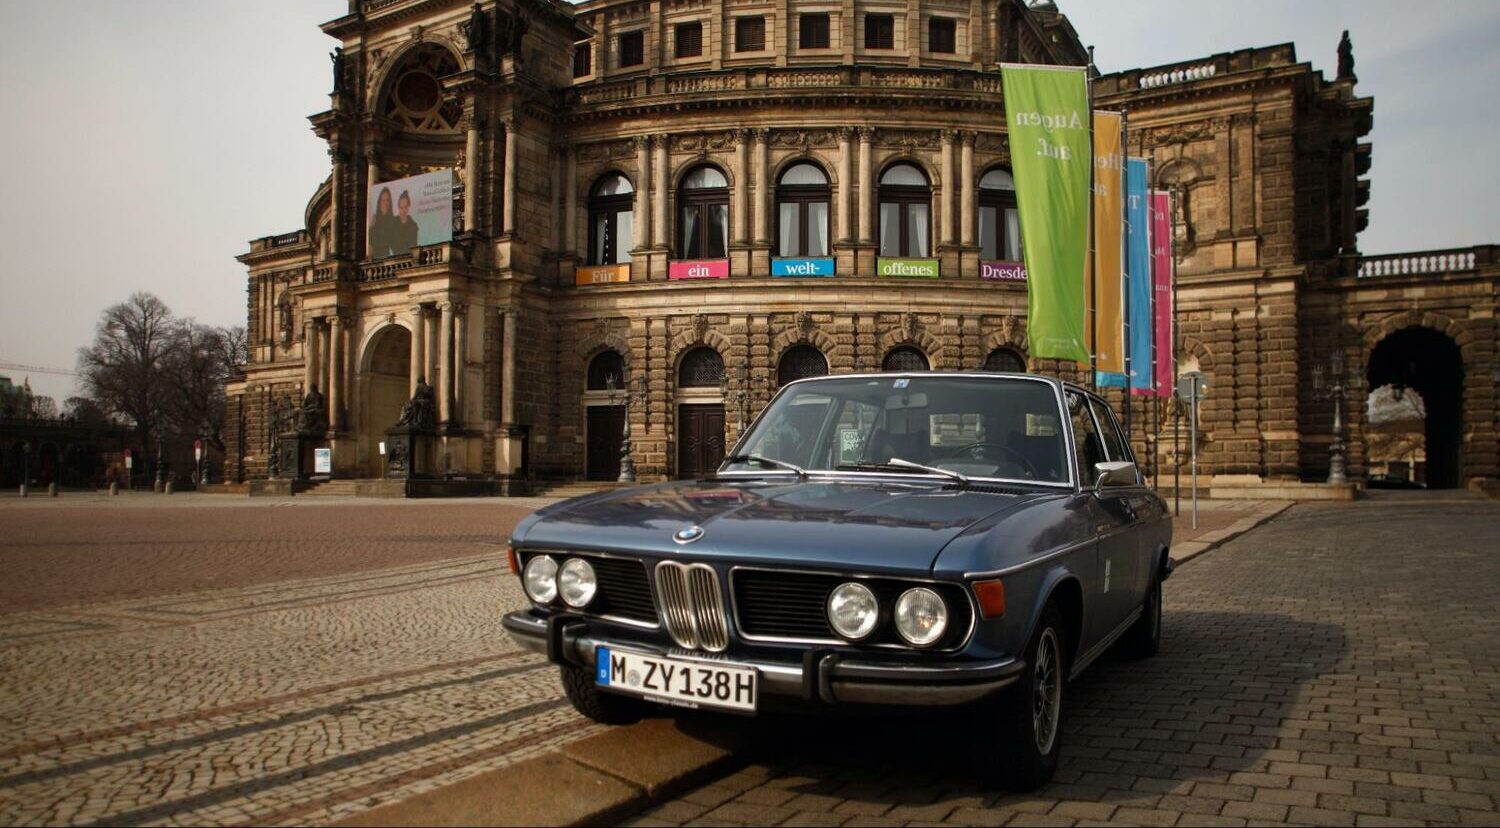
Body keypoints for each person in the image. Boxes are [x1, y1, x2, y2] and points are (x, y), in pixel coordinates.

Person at [368, 187, 398, 258]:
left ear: (390, 202)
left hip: (385, 258)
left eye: (387, 200)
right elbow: (370, 241)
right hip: (373, 259)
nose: (385, 203)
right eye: (383, 200)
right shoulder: (374, 219)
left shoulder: (394, 221)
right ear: (379, 202)